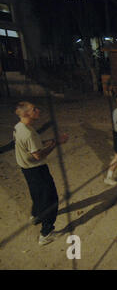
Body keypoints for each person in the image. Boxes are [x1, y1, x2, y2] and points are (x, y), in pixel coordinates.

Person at [13, 102, 69, 246]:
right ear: (26, 114)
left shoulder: (19, 127)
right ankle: (46, 233)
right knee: (51, 200)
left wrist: (49, 141)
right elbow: (38, 155)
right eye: (34, 109)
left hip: (26, 169)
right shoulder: (28, 133)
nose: (38, 110)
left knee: (37, 194)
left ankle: (36, 216)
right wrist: (56, 143)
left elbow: (30, 145)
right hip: (36, 169)